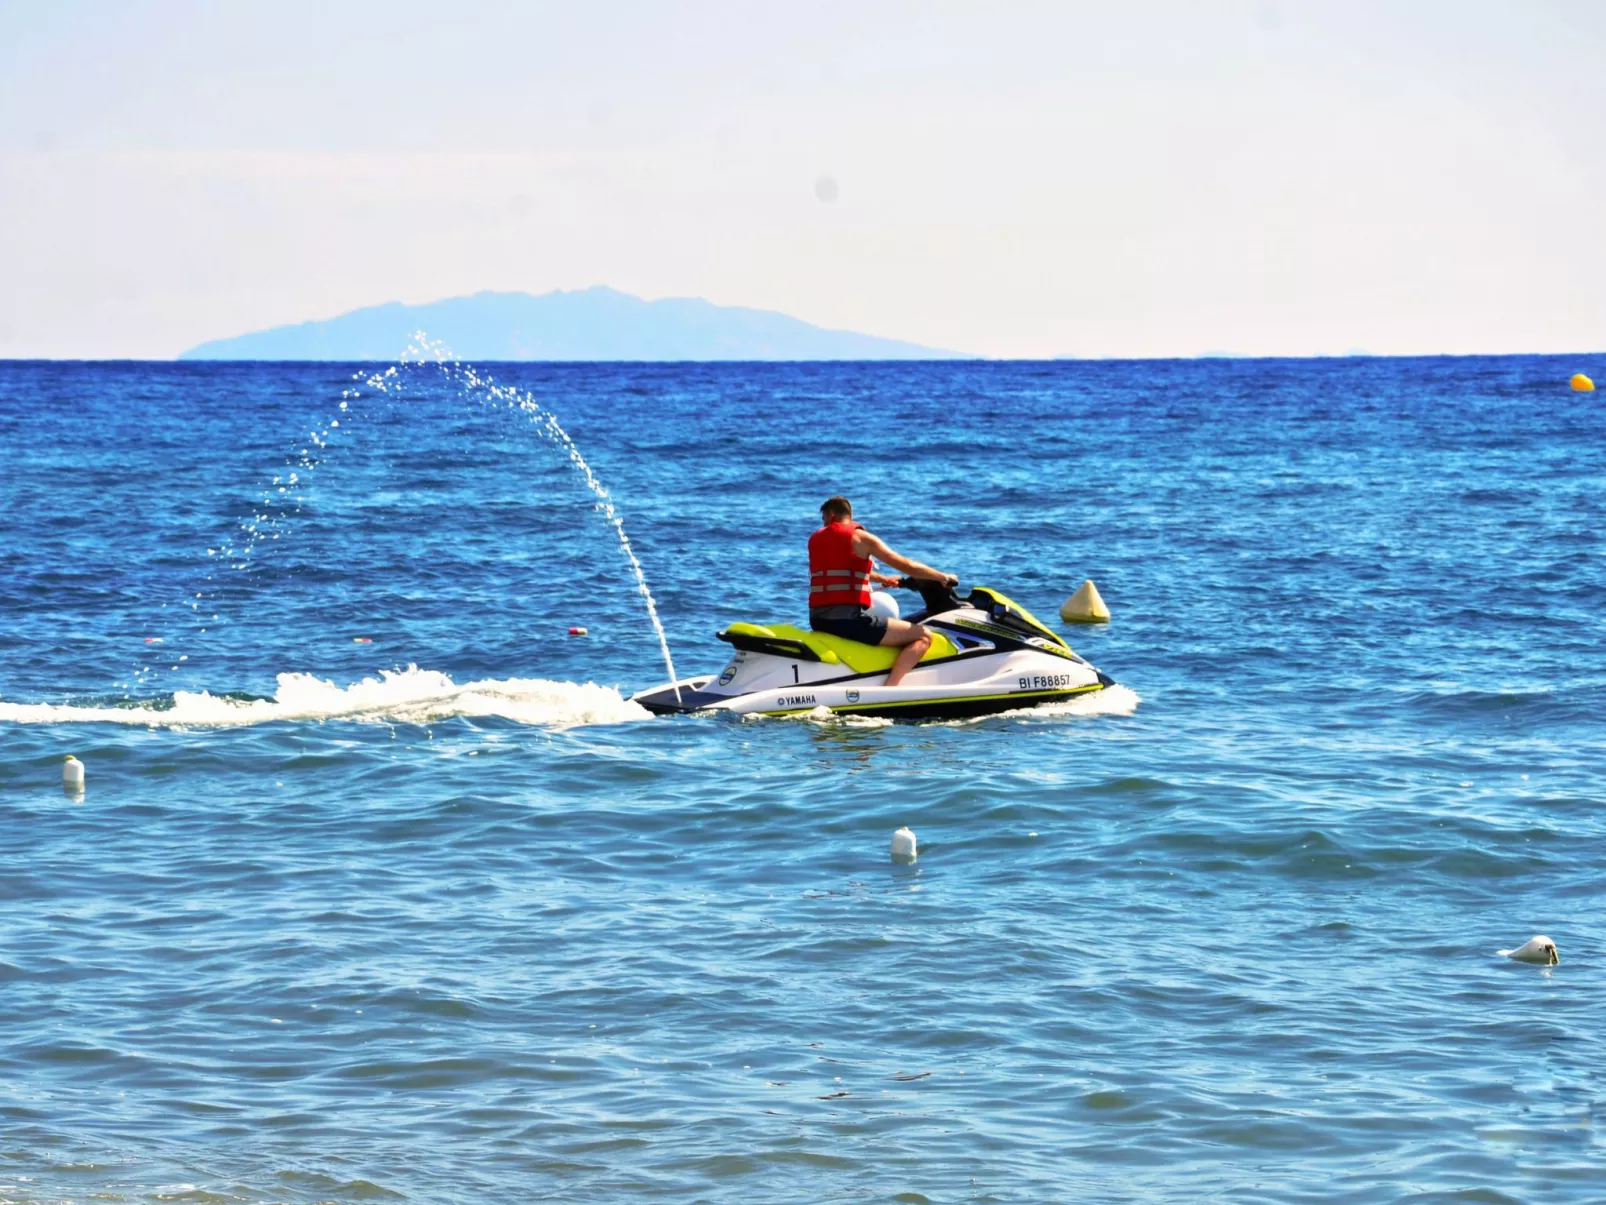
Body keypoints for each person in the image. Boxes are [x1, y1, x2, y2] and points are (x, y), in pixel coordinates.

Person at [807, 495, 958, 687]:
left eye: (824, 520)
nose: (824, 524)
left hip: (818, 620)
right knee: (924, 636)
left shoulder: (815, 539)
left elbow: (841, 573)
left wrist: (884, 579)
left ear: (831, 516)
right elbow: (906, 565)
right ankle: (891, 689)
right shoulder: (860, 538)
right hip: (847, 621)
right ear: (842, 515)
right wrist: (942, 577)